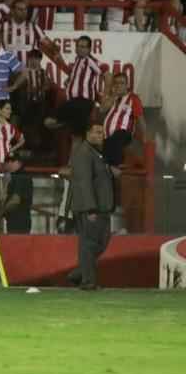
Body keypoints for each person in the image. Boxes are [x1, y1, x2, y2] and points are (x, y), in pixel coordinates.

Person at [68, 123, 115, 290]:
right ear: (87, 133)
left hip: (102, 207)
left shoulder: (96, 153)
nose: (101, 135)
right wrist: (90, 208)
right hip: (92, 208)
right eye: (97, 132)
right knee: (89, 243)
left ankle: (79, 273)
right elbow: (84, 182)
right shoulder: (84, 152)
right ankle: (88, 280)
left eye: (102, 132)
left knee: (101, 242)